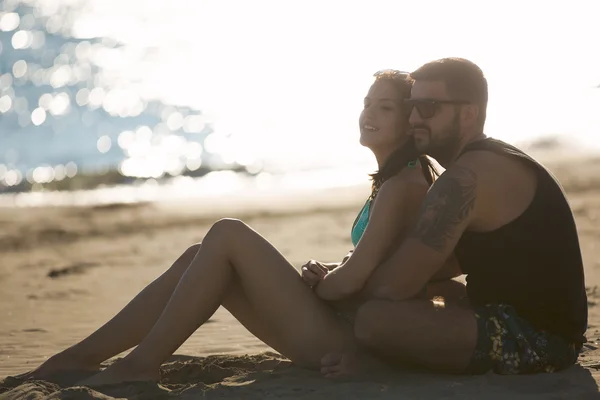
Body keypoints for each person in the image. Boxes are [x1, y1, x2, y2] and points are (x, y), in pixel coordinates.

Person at [18, 70, 459, 385]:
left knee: (228, 233)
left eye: (384, 107)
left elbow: (364, 281)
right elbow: (376, 264)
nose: (368, 113)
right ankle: (81, 357)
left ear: (409, 122)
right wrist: (333, 267)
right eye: (366, 102)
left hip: (344, 340)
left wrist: (324, 283)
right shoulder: (397, 177)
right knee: (200, 258)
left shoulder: (402, 184)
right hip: (340, 322)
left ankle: (139, 364)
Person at [321, 57, 588, 376]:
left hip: (537, 341)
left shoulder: (466, 178)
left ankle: (387, 366)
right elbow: (443, 267)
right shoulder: (485, 161)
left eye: (429, 107)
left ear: (469, 113)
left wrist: (334, 289)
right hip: (510, 319)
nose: (415, 119)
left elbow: (392, 288)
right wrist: (348, 271)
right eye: (411, 106)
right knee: (430, 295)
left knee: (374, 319)